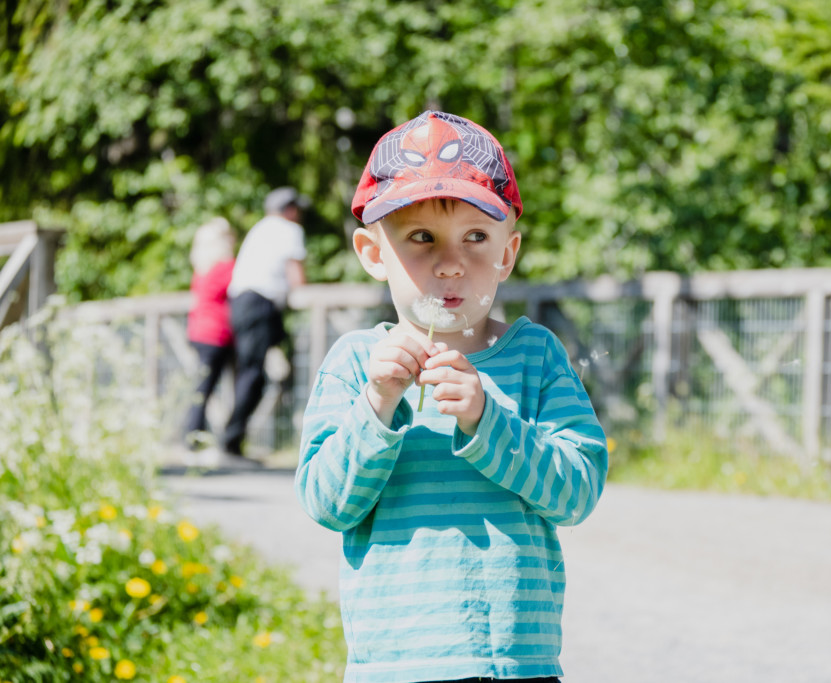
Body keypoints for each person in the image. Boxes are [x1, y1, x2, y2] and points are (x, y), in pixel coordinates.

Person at [295, 110, 608, 683]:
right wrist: (377, 406)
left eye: (476, 238)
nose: (450, 263)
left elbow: (578, 492)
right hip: (396, 665)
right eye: (421, 238)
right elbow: (325, 503)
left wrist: (490, 421)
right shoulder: (355, 365)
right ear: (371, 252)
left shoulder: (534, 357)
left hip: (513, 664)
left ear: (507, 253)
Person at [223, 186, 310, 458]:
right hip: (259, 304)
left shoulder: (260, 228)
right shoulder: (288, 229)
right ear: (290, 209)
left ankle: (233, 439)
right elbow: (296, 276)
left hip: (241, 303)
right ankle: (230, 441)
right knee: (252, 375)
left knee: (251, 372)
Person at [184, 217, 235, 450]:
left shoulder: (201, 267)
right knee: (206, 388)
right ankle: (193, 436)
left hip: (198, 331)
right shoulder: (226, 267)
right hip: (217, 334)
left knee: (202, 387)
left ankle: (194, 435)